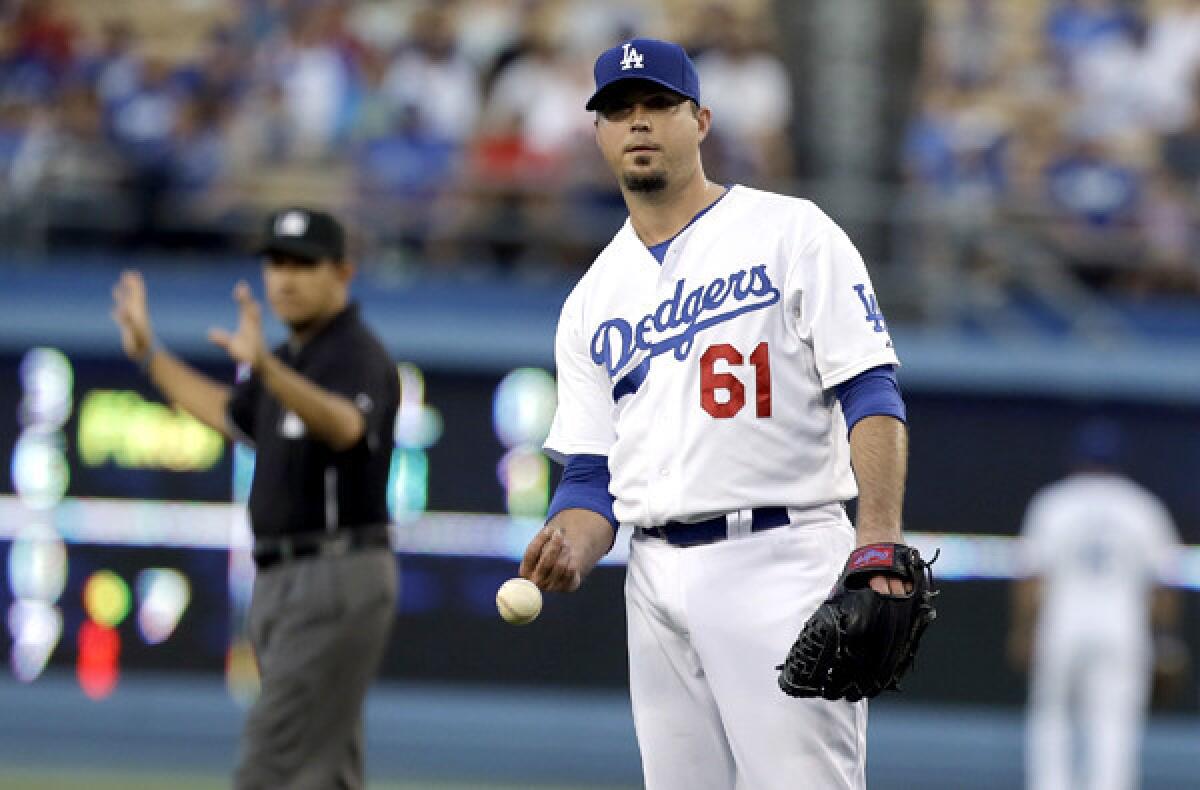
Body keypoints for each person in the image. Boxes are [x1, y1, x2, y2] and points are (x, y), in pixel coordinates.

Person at [520, 38, 910, 790]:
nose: (638, 123)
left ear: (700, 120)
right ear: (597, 133)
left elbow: (870, 391)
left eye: (658, 105)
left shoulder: (791, 232)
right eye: (618, 110)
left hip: (781, 556)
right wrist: (569, 541)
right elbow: (590, 479)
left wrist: (879, 541)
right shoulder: (591, 300)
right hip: (654, 573)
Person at [110, 207, 399, 790]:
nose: (286, 279)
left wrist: (266, 368)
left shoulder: (355, 353)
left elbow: (345, 426)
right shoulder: (291, 358)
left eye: (304, 264)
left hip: (334, 571)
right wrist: (150, 355)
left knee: (271, 769)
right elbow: (227, 412)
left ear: (342, 271)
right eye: (276, 263)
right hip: (287, 580)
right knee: (323, 772)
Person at [1009, 420, 1182, 790]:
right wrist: (1166, 640)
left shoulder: (1054, 502)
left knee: (1051, 721)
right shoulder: (1142, 506)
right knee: (1114, 727)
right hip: (1122, 628)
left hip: (1062, 624)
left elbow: (1032, 576)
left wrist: (1024, 630)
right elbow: (1163, 584)